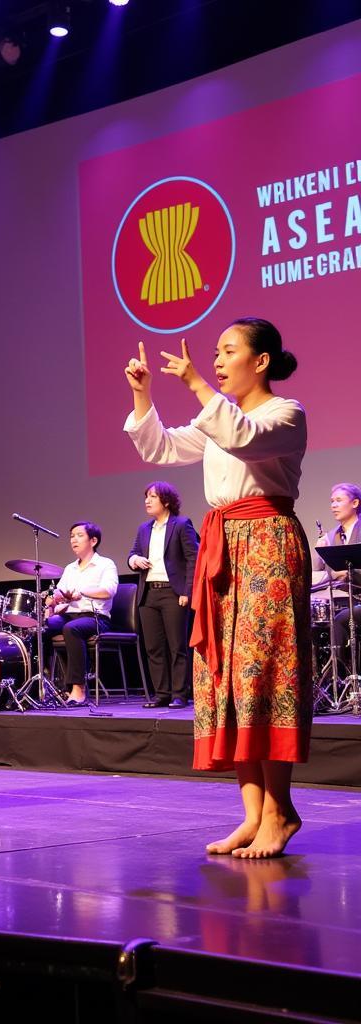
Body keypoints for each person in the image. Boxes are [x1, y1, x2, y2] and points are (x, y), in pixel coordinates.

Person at [124, 316, 310, 858]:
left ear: (261, 361)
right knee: (227, 677)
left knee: (264, 674)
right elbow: (159, 448)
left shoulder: (285, 413)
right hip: (223, 548)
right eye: (216, 353)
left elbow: (244, 440)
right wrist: (143, 396)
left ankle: (281, 810)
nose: (219, 361)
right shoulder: (218, 417)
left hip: (267, 543)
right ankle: (252, 815)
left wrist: (195, 385)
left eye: (229, 351)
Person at [128, 481, 198, 709]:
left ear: (166, 501)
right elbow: (132, 554)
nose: (147, 501)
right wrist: (134, 560)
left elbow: (193, 560)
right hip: (148, 594)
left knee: (177, 646)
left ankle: (180, 694)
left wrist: (187, 592)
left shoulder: (181, 524)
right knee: (154, 647)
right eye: (146, 497)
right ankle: (162, 694)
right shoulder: (143, 529)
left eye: (152, 497)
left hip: (173, 593)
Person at [43, 522, 118, 706]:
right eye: (71, 536)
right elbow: (58, 593)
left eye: (79, 535)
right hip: (71, 615)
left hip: (96, 617)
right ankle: (45, 681)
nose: (73, 539)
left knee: (71, 629)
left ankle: (78, 688)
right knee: (43, 627)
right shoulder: (70, 568)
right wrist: (55, 599)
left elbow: (109, 591)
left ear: (93, 540)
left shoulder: (105, 564)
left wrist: (82, 591)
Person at [312, 482, 361, 663]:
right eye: (332, 501)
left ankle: (340, 675)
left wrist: (350, 573)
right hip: (347, 599)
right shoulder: (331, 536)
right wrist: (319, 551)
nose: (333, 505)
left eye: (339, 500)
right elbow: (317, 573)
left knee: (341, 619)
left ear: (355, 503)